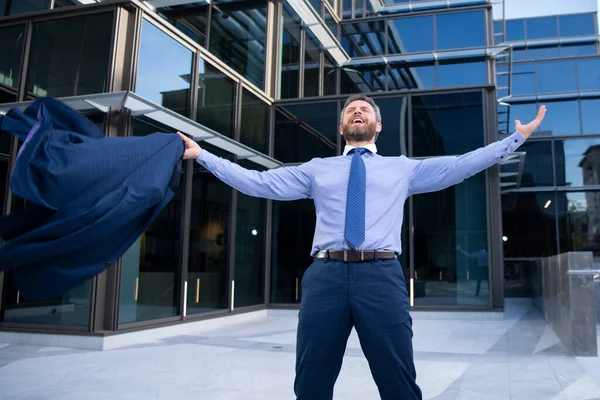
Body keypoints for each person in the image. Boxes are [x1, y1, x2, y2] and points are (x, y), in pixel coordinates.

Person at [177, 94, 547, 400]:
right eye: (351, 110)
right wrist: (204, 156)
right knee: (311, 381)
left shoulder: (402, 169)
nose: (358, 112)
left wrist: (514, 140)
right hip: (326, 277)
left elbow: (460, 165)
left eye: (365, 109)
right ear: (341, 127)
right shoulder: (315, 169)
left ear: (378, 126)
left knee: (398, 379)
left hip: (381, 276)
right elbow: (258, 182)